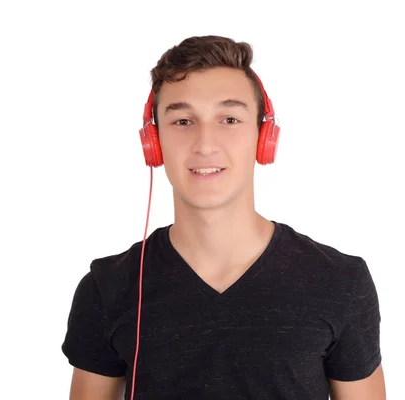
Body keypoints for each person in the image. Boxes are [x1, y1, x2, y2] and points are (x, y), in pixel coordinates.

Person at [61, 35, 386, 400]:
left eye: (229, 119)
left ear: (264, 137)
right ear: (154, 142)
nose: (205, 144)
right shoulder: (107, 288)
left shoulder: (341, 282)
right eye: (183, 121)